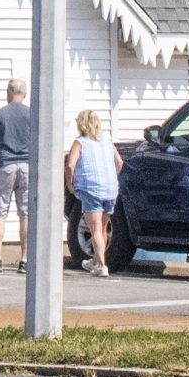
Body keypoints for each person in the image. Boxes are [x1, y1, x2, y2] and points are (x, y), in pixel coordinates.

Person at [0, 79, 35, 273]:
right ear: (25, 93)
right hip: (28, 166)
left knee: (0, 211)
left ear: (8, 93)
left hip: (5, 165)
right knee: (26, 213)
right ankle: (25, 259)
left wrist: (1, 150)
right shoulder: (32, 114)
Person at [66, 110, 124, 277]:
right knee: (103, 228)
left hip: (91, 189)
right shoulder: (107, 141)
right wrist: (112, 178)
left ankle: (102, 266)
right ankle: (97, 261)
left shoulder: (80, 142)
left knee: (95, 229)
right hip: (111, 189)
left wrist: (71, 184)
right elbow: (119, 162)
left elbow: (70, 165)